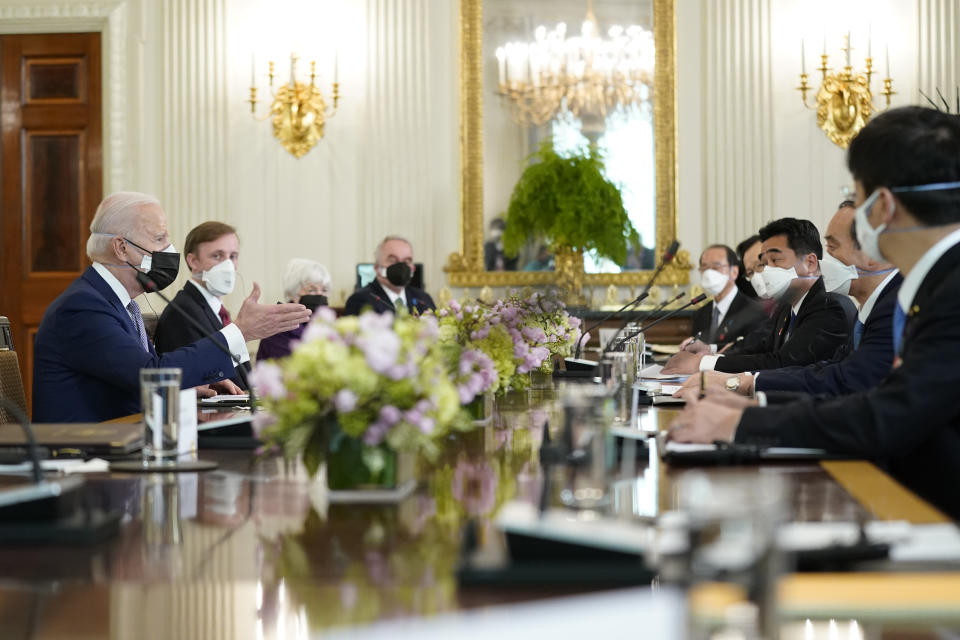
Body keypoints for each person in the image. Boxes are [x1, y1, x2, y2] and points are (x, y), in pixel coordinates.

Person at [669, 106, 960, 518]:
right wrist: (755, 405)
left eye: (857, 198)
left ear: (882, 207)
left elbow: (891, 414)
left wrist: (742, 422)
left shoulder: (950, 290)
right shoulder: (936, 281)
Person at [32, 192, 311, 422]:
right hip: (83, 461)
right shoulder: (83, 307)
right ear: (121, 248)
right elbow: (150, 373)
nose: (169, 250)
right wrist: (241, 331)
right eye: (159, 239)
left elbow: (130, 381)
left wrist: (187, 389)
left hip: (122, 445)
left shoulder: (120, 305)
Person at [679, 203, 901, 399]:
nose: (825, 259)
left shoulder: (847, 307)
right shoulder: (792, 306)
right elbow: (830, 368)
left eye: (832, 248)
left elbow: (839, 379)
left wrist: (739, 383)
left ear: (872, 251)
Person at [662, 218, 851, 374]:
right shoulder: (787, 305)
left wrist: (703, 363)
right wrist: (709, 354)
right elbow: (760, 349)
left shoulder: (829, 306)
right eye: (765, 263)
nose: (767, 271)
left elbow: (783, 363)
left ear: (810, 263)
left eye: (775, 260)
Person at [154, 222, 248, 391]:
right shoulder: (182, 314)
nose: (227, 266)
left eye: (233, 256)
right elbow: (195, 377)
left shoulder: (218, 312)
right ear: (193, 261)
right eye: (217, 256)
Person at [685, 244, 766, 351]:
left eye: (716, 267)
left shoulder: (754, 310)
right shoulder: (700, 313)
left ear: (734, 272)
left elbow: (752, 351)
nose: (709, 273)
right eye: (704, 267)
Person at [257, 259, 332, 360]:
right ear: (292, 293)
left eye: (324, 290)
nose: (320, 295)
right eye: (312, 290)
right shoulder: (280, 326)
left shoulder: (321, 323)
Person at [344, 235, 435, 316]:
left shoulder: (423, 299)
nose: (401, 266)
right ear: (377, 268)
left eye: (407, 261)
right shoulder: (360, 300)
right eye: (392, 261)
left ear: (413, 268)